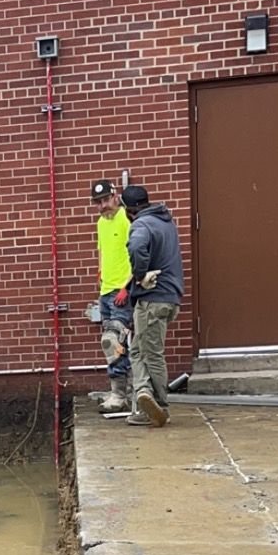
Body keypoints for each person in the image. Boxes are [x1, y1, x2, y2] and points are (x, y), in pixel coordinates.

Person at [119, 183, 185, 426]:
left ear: (129, 209)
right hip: (169, 298)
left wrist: (138, 276)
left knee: (151, 353)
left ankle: (159, 406)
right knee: (137, 350)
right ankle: (144, 393)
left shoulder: (141, 225)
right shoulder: (165, 221)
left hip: (152, 299)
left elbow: (137, 246)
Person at [92, 178, 134, 413]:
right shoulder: (101, 222)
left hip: (122, 290)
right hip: (106, 290)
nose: (103, 205)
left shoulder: (126, 218)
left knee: (113, 341)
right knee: (112, 344)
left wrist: (126, 287)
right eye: (98, 202)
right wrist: (100, 275)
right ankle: (118, 390)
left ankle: (119, 395)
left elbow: (138, 252)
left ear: (115, 196)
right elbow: (102, 251)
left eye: (106, 199)